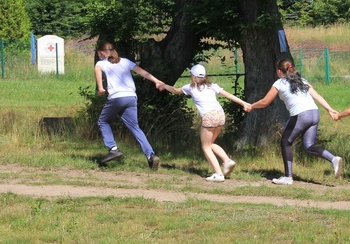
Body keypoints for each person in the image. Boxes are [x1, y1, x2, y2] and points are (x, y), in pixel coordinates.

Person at [247, 58, 342, 185]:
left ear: (280, 71)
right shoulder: (302, 81)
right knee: (309, 145)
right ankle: (333, 159)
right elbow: (317, 95)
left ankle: (288, 177)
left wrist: (252, 106)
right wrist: (330, 110)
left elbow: (265, 102)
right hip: (314, 113)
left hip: (301, 115)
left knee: (285, 142)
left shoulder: (279, 83)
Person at [158, 64, 250, 182]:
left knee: (205, 146)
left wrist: (164, 86)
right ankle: (227, 161)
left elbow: (175, 91)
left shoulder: (190, 88)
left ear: (193, 76)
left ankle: (218, 174)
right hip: (220, 115)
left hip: (209, 116)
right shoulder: (212, 86)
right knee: (211, 143)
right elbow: (228, 95)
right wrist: (244, 103)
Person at [94, 42, 165, 170]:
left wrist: (100, 87)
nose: (99, 57)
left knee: (103, 121)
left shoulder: (101, 63)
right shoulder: (125, 61)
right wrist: (156, 81)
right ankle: (151, 155)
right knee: (135, 127)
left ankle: (113, 148)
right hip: (131, 97)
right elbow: (142, 72)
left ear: (103, 53)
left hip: (117, 97)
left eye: (99, 54)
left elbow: (98, 71)